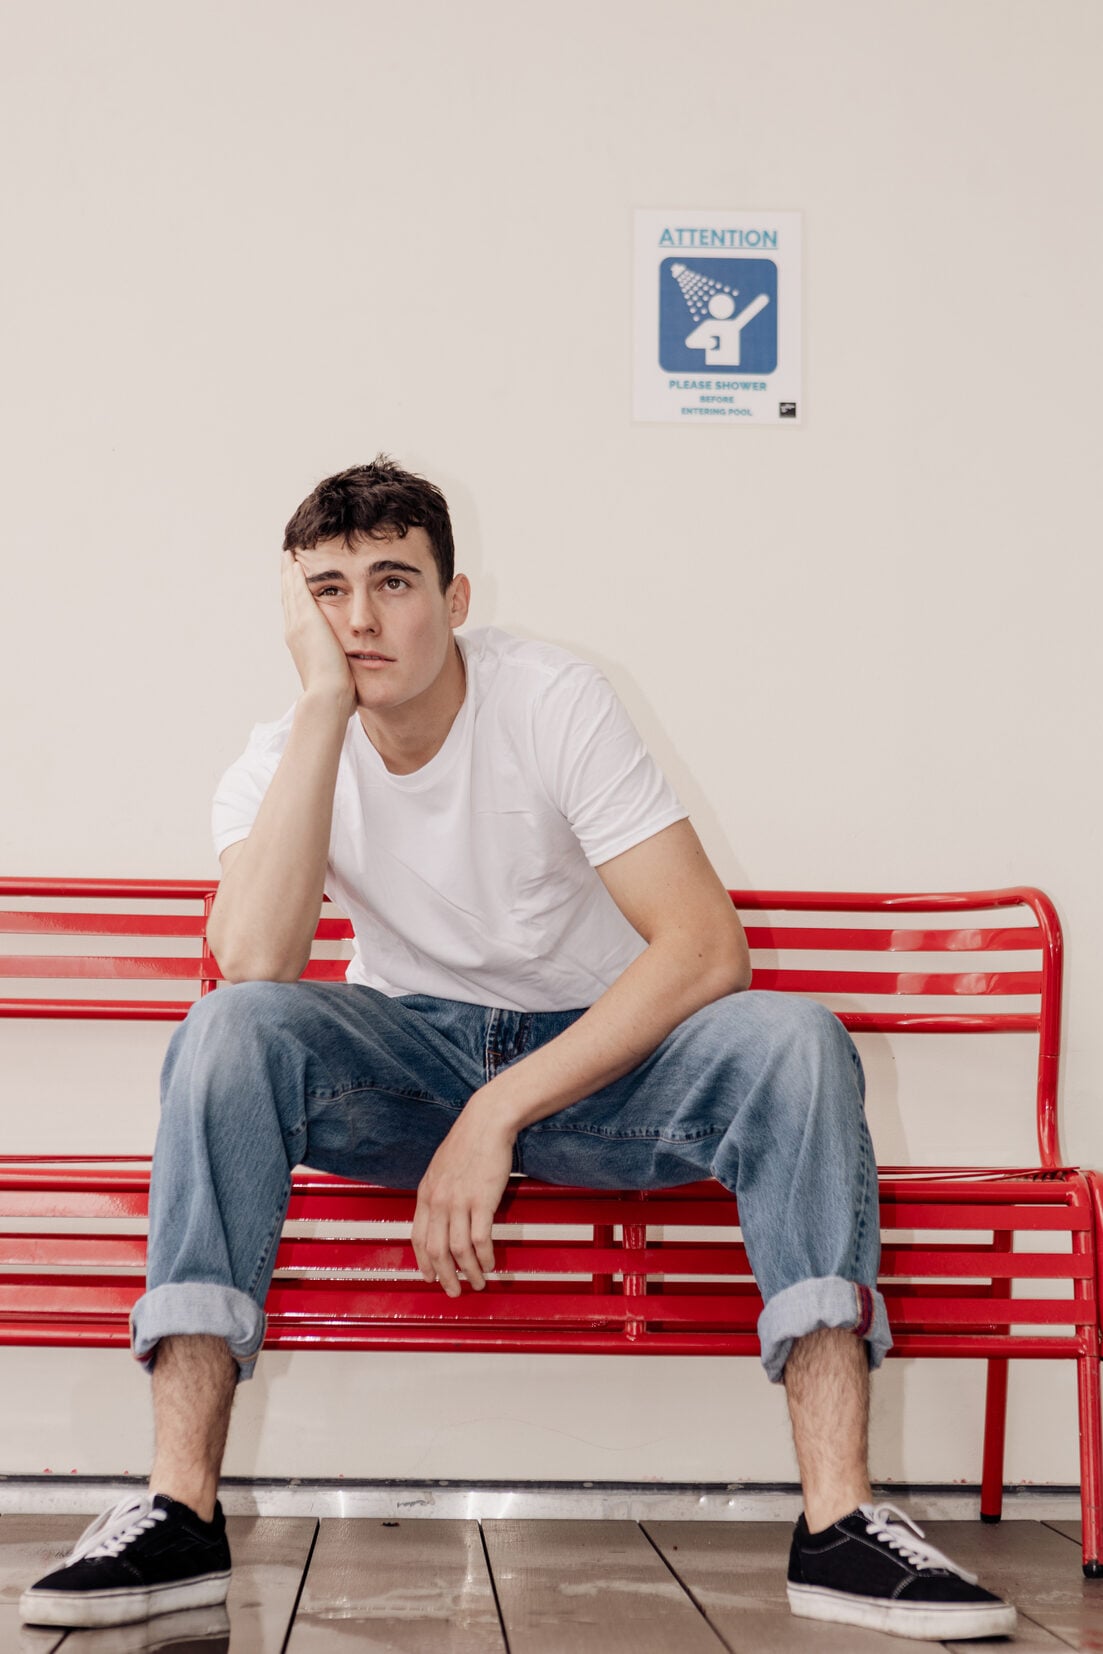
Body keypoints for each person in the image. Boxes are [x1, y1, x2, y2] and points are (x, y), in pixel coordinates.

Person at [23, 458, 1016, 1641]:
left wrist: (495, 1112)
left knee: (795, 1042)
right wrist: (324, 711)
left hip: (603, 1073)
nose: (361, 617)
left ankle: (840, 1523)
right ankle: (179, 1511)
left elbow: (703, 948)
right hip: (404, 1070)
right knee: (225, 1031)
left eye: (393, 582)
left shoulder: (550, 699)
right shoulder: (287, 749)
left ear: (454, 600)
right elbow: (253, 960)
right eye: (328, 590)